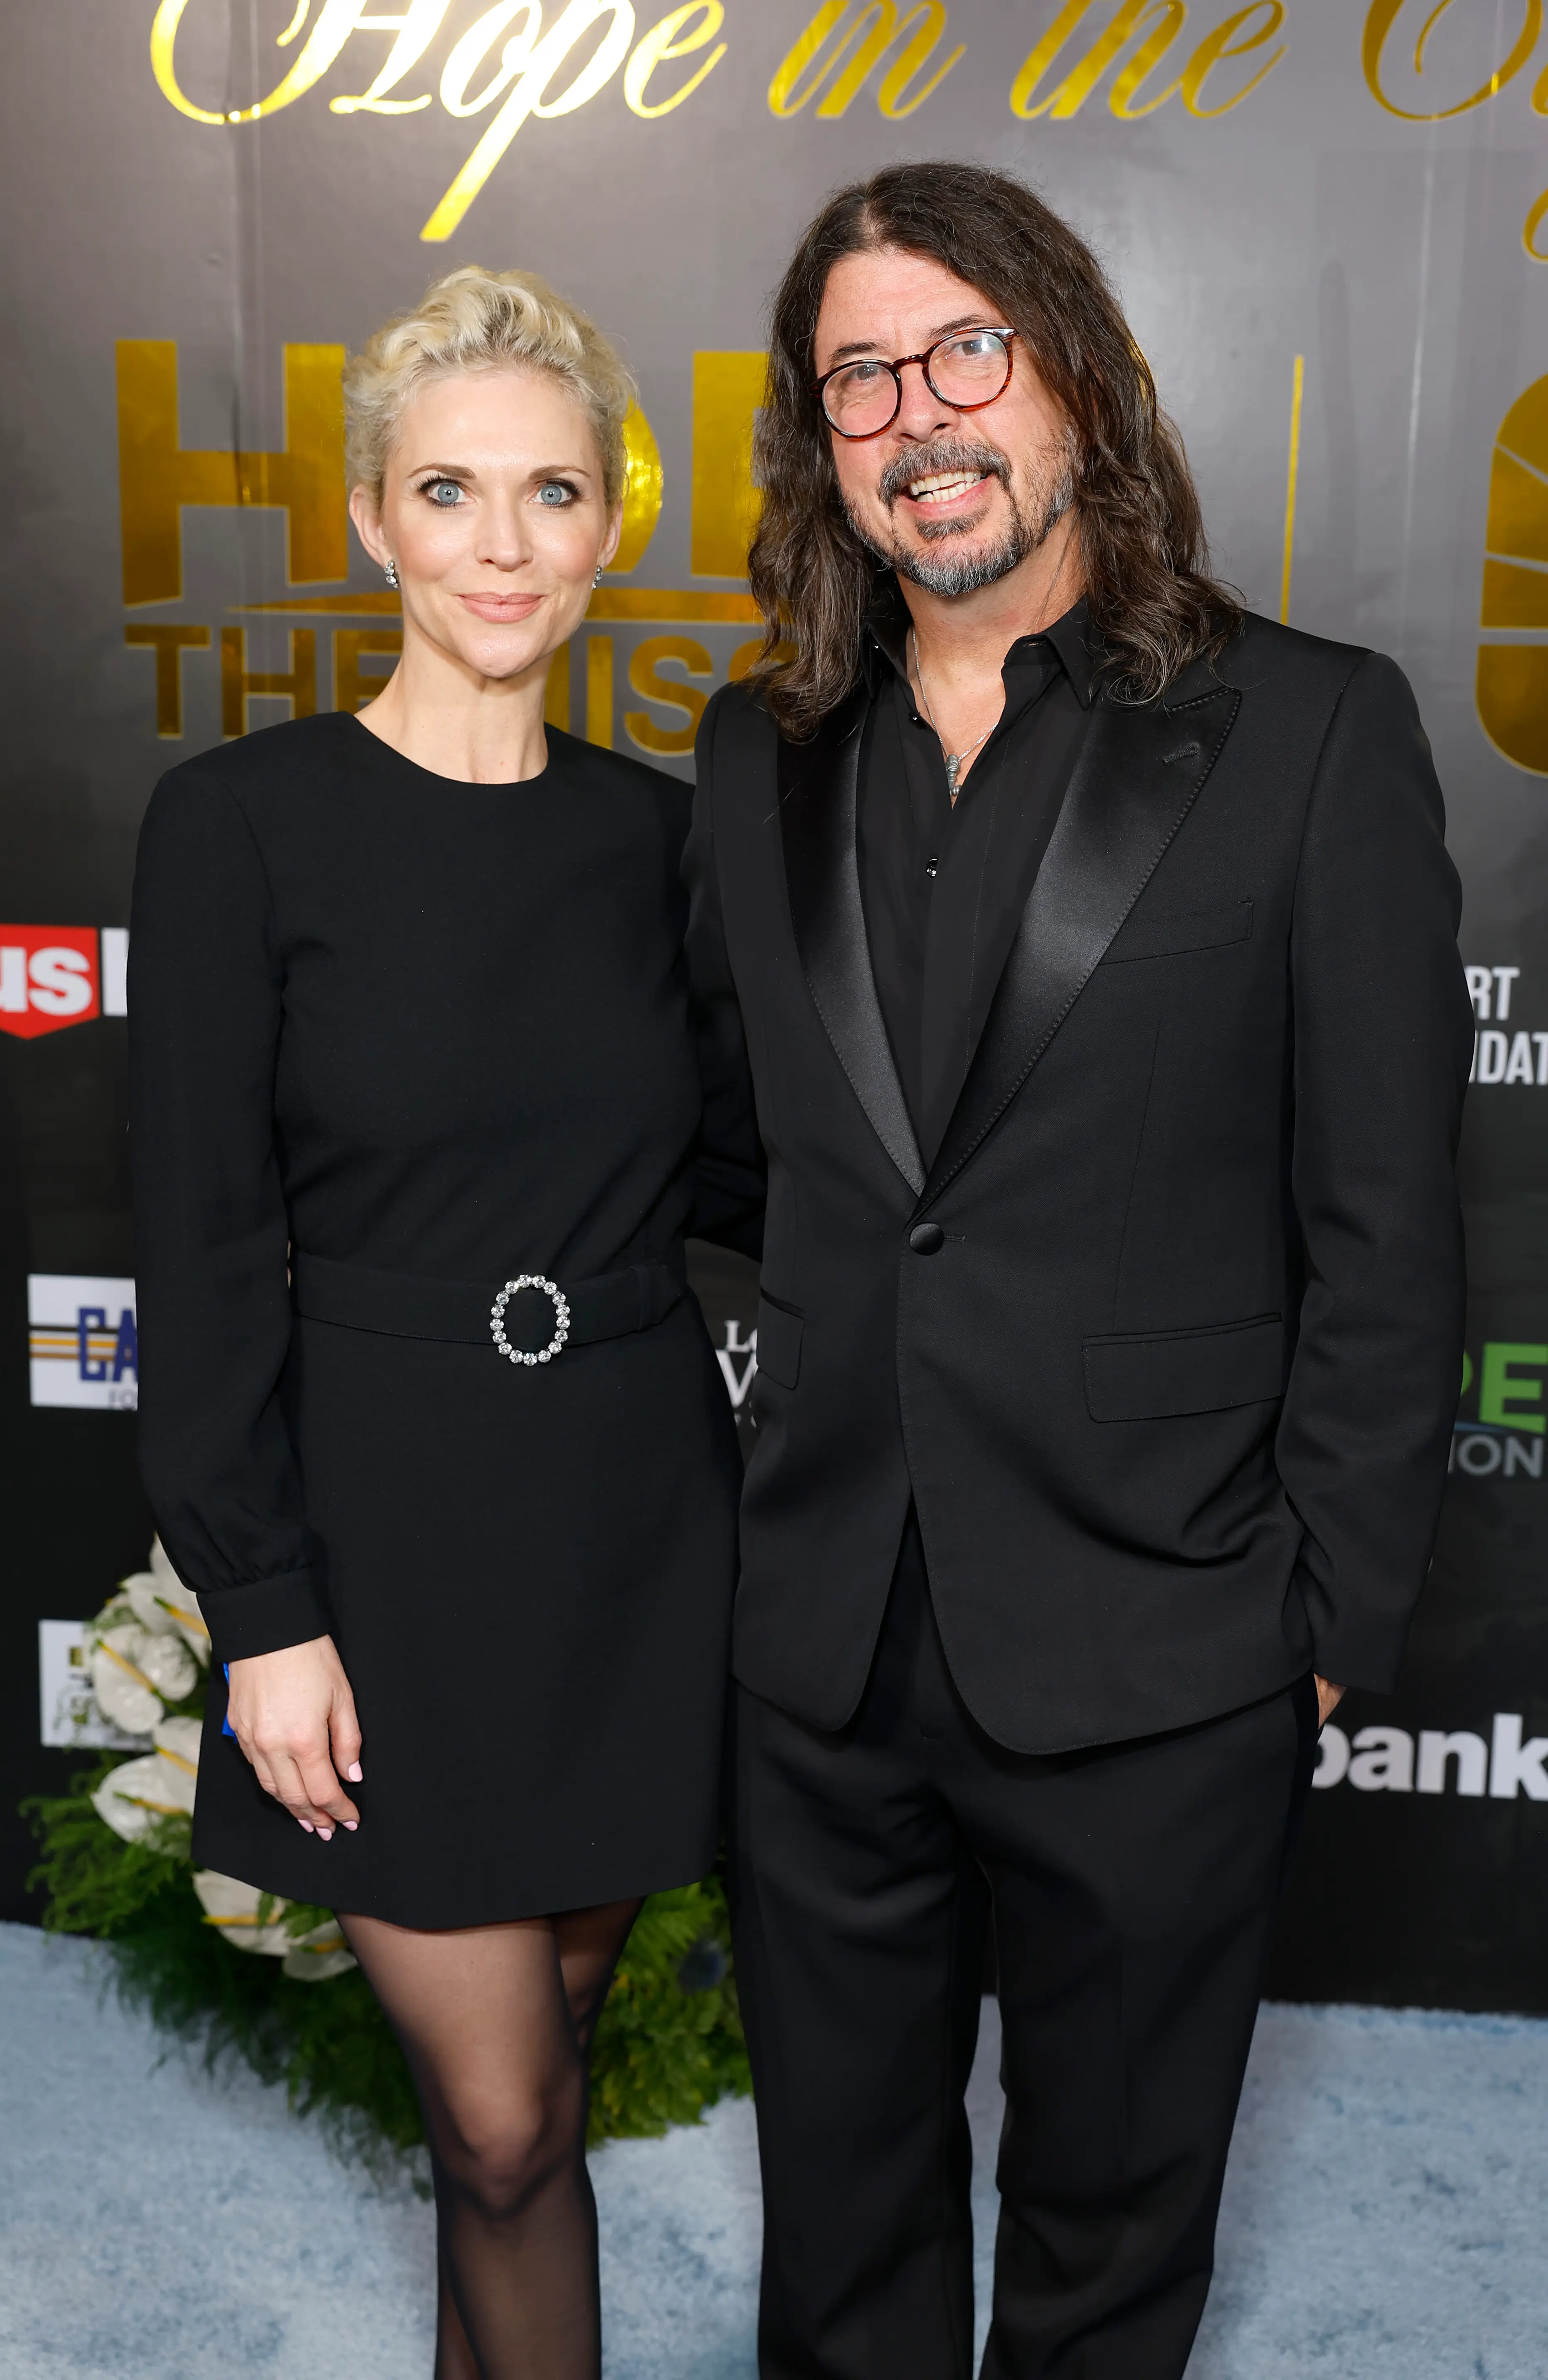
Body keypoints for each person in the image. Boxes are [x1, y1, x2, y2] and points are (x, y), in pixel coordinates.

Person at [685, 162, 1473, 2378]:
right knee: (835, 2249)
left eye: (963, 352)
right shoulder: (757, 756)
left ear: (1081, 382)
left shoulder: (1313, 733)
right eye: (858, 376)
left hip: (1166, 1641)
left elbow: (1390, 1227)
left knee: (1112, 2257)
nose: (915, 414)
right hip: (825, 1647)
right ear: (818, 441)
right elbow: (737, 1154)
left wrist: (1320, 1628)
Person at [128, 266, 757, 2380]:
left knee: (545, 2082)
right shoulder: (239, 828)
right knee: (499, 2127)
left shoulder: (665, 846)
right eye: (453, 490)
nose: (506, 543)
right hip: (387, 1546)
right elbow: (202, 1252)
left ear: (607, 527)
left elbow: (757, 1177)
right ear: (374, 520)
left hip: (635, 1518)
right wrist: (266, 1609)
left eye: (552, 491)